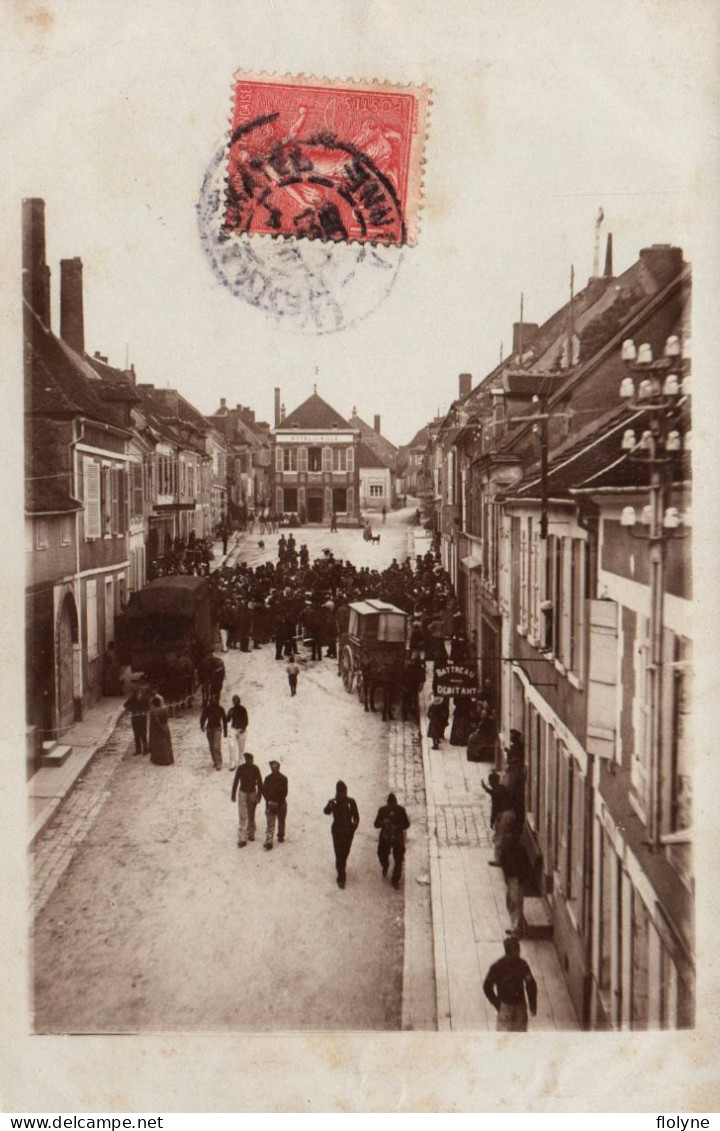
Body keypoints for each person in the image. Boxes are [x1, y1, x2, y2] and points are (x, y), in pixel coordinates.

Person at [483, 936, 538, 1032]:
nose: (518, 952)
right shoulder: (522, 964)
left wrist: (497, 1003)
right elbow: (531, 985)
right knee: (519, 1039)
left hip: (504, 1006)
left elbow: (487, 986)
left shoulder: (497, 966)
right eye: (517, 949)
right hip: (520, 1006)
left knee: (503, 1040)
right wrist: (532, 1005)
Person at [323, 781, 360, 889]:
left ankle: (341, 867)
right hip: (337, 831)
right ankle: (341, 877)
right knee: (339, 854)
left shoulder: (351, 802)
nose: (343, 794)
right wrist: (330, 805)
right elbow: (326, 811)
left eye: (344, 791)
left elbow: (356, 816)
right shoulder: (333, 801)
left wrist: (353, 827)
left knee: (345, 852)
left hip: (348, 831)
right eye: (341, 792)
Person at [374, 793, 410, 889]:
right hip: (385, 836)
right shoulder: (382, 810)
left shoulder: (401, 810)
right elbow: (376, 824)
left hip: (397, 837)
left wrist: (397, 826)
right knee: (381, 854)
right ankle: (385, 866)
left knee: (398, 859)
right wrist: (383, 823)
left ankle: (395, 880)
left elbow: (406, 825)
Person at [230, 752, 264, 846]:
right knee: (242, 815)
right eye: (249, 760)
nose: (250, 761)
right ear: (246, 760)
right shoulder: (241, 768)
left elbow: (260, 782)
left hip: (252, 793)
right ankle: (242, 838)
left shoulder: (255, 769)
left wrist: (259, 795)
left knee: (251, 814)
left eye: (251, 760)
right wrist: (233, 794)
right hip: (243, 793)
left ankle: (251, 833)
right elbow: (236, 781)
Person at [500, 831, 528, 937]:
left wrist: (520, 879)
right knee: (511, 901)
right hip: (512, 878)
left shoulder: (517, 850)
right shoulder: (510, 850)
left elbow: (524, 866)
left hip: (516, 878)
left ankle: (517, 928)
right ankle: (516, 925)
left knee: (515, 901)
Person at [263, 759, 288, 849]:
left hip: (280, 804)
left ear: (278, 768)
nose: (274, 769)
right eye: (272, 768)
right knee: (270, 823)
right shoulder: (267, 778)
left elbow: (285, 792)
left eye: (275, 768)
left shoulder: (283, 778)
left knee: (281, 820)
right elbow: (264, 791)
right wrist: (268, 801)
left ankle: (280, 835)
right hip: (270, 804)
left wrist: (277, 802)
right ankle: (269, 841)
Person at [200, 693, 228, 771]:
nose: (215, 701)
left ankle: (219, 763)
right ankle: (215, 761)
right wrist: (202, 725)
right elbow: (203, 717)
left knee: (216, 746)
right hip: (209, 729)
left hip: (217, 728)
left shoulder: (220, 709)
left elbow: (224, 720)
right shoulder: (207, 708)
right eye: (213, 699)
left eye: (216, 699)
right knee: (211, 746)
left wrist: (225, 731)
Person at [123, 681, 150, 755]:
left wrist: (145, 711)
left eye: (140, 692)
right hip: (135, 718)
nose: (139, 693)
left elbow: (148, 707)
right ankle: (138, 750)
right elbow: (125, 705)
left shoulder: (144, 699)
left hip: (142, 718)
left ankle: (145, 749)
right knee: (136, 734)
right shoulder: (132, 698)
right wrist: (133, 710)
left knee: (143, 733)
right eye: (138, 692)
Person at [148, 693, 174, 765]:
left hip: (159, 729)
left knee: (160, 744)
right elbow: (167, 718)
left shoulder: (156, 712)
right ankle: (170, 759)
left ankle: (161, 760)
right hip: (166, 727)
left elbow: (157, 721)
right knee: (167, 743)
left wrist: (161, 727)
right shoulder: (164, 709)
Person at [226, 694, 249, 770]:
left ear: (239, 701)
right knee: (231, 746)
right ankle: (232, 763)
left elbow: (246, 720)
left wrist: (243, 728)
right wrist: (228, 715)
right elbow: (227, 720)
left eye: (236, 700)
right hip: (233, 729)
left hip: (241, 729)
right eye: (234, 700)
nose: (235, 702)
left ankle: (241, 763)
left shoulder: (243, 709)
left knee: (241, 747)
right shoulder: (231, 710)